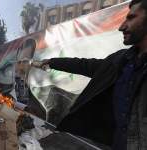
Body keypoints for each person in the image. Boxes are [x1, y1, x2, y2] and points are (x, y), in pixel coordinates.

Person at [37, 0, 147, 149]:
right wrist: (51, 61)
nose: (122, 27)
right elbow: (85, 65)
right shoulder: (122, 61)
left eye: (132, 17)